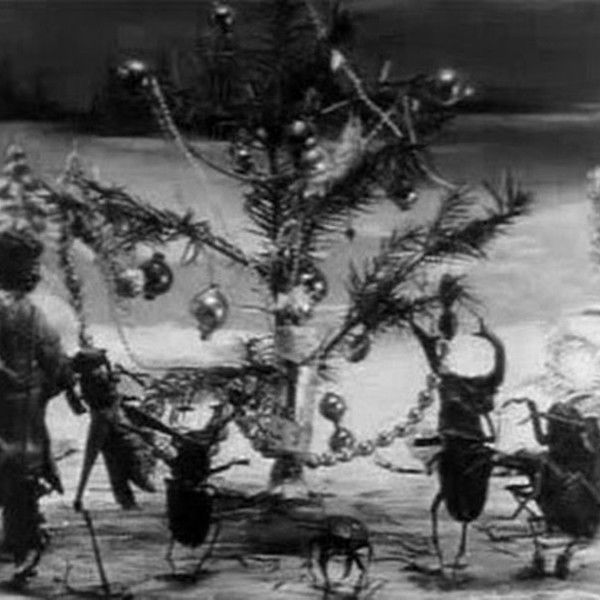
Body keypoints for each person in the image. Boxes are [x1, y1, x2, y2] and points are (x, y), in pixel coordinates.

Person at [0, 226, 83, 581]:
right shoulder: (26, 312)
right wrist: (66, 376)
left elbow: (53, 361)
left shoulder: (28, 312)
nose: (35, 271)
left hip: (18, 413)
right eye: (29, 264)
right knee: (20, 483)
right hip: (18, 416)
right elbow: (56, 364)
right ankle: (22, 546)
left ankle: (19, 544)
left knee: (16, 481)